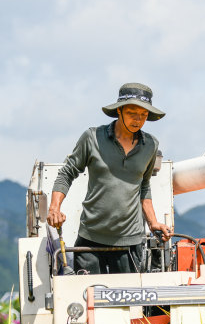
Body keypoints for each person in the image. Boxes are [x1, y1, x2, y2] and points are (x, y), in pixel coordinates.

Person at [47, 82, 173, 274]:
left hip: (130, 242)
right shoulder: (92, 138)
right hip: (90, 240)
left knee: (128, 302)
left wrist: (153, 222)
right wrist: (54, 208)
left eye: (144, 115)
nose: (138, 120)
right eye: (132, 113)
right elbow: (66, 173)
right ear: (120, 111)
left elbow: (144, 186)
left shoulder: (150, 145)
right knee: (87, 299)